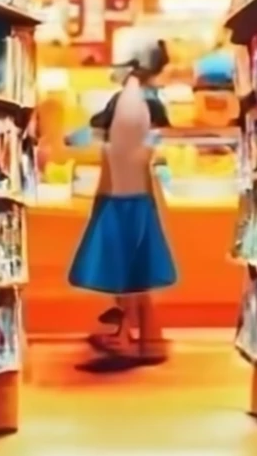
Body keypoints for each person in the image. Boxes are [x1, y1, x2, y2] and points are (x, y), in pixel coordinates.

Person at [68, 39, 177, 364]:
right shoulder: (153, 104)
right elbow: (154, 147)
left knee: (125, 273)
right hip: (143, 194)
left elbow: (90, 133)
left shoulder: (124, 103)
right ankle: (145, 339)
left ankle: (130, 337)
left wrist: (69, 139)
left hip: (120, 196)